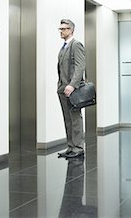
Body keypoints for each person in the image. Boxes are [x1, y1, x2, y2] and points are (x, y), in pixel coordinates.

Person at [57, 18, 86, 158]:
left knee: (75, 119)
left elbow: (80, 67)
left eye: (63, 29)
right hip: (62, 89)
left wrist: (72, 85)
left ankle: (78, 147)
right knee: (67, 119)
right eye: (60, 29)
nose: (61, 31)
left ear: (71, 30)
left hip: (71, 89)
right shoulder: (64, 47)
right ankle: (71, 146)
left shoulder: (76, 45)